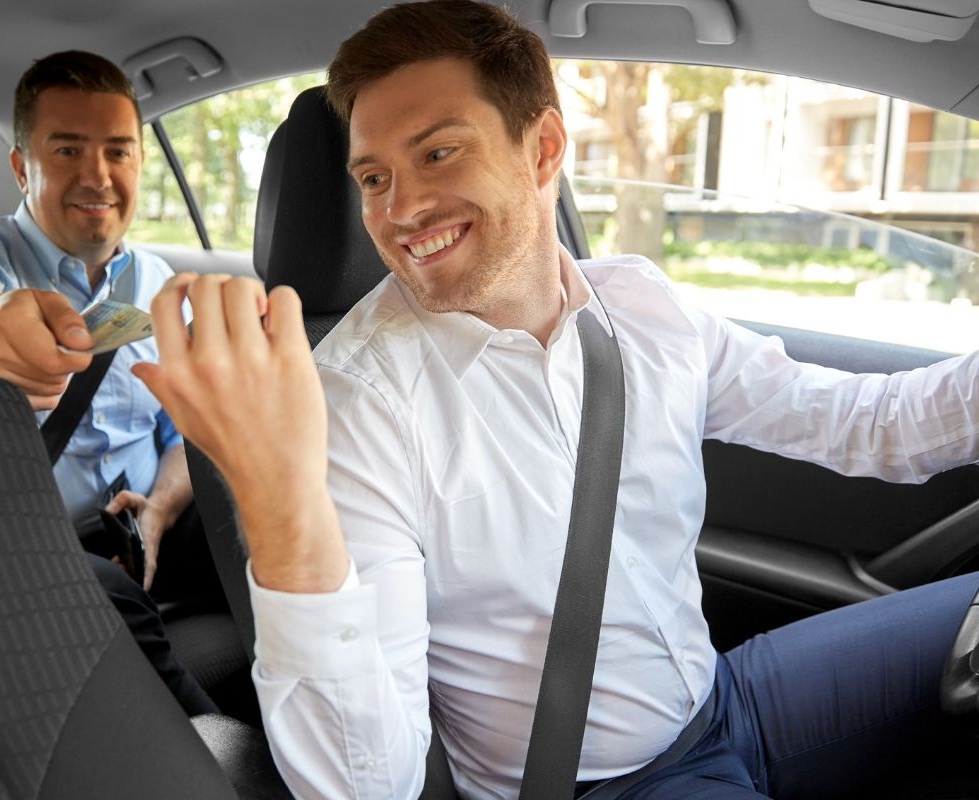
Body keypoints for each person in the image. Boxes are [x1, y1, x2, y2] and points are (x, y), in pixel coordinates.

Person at [134, 1, 979, 797]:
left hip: (729, 697)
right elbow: (366, 784)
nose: (399, 210)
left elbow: (871, 427)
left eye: (437, 153)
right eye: (373, 177)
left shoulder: (643, 309)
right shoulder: (357, 401)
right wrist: (280, 508)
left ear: (542, 150)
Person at [0, 50, 219, 716]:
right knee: (103, 593)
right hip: (23, 549)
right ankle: (217, 750)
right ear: (20, 165)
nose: (97, 176)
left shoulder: (158, 282)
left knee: (248, 505)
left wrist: (164, 504)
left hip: (148, 523)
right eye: (67, 150)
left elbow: (182, 433)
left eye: (118, 152)